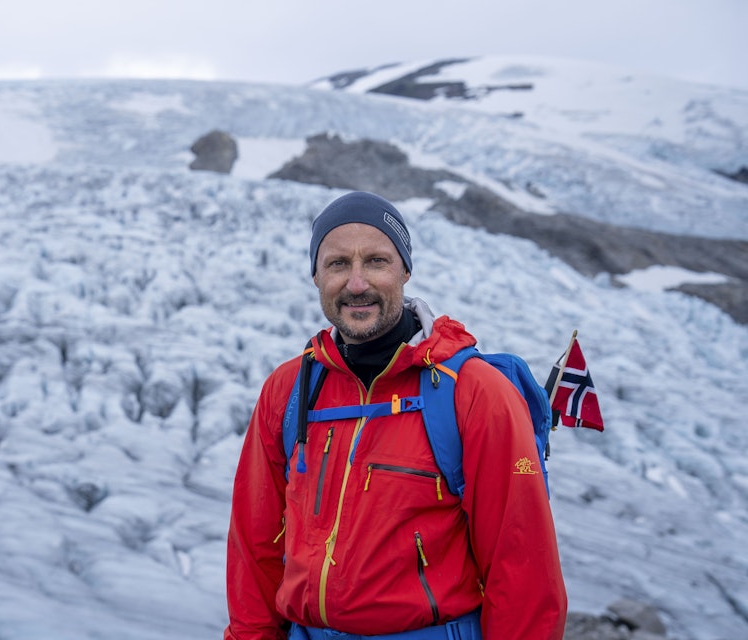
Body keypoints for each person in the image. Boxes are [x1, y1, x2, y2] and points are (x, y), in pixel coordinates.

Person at [224, 191, 567, 640]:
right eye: (338, 264)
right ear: (315, 276)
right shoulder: (289, 391)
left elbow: (522, 567)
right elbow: (255, 547)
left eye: (377, 261)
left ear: (405, 269)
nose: (357, 283)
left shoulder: (473, 392)